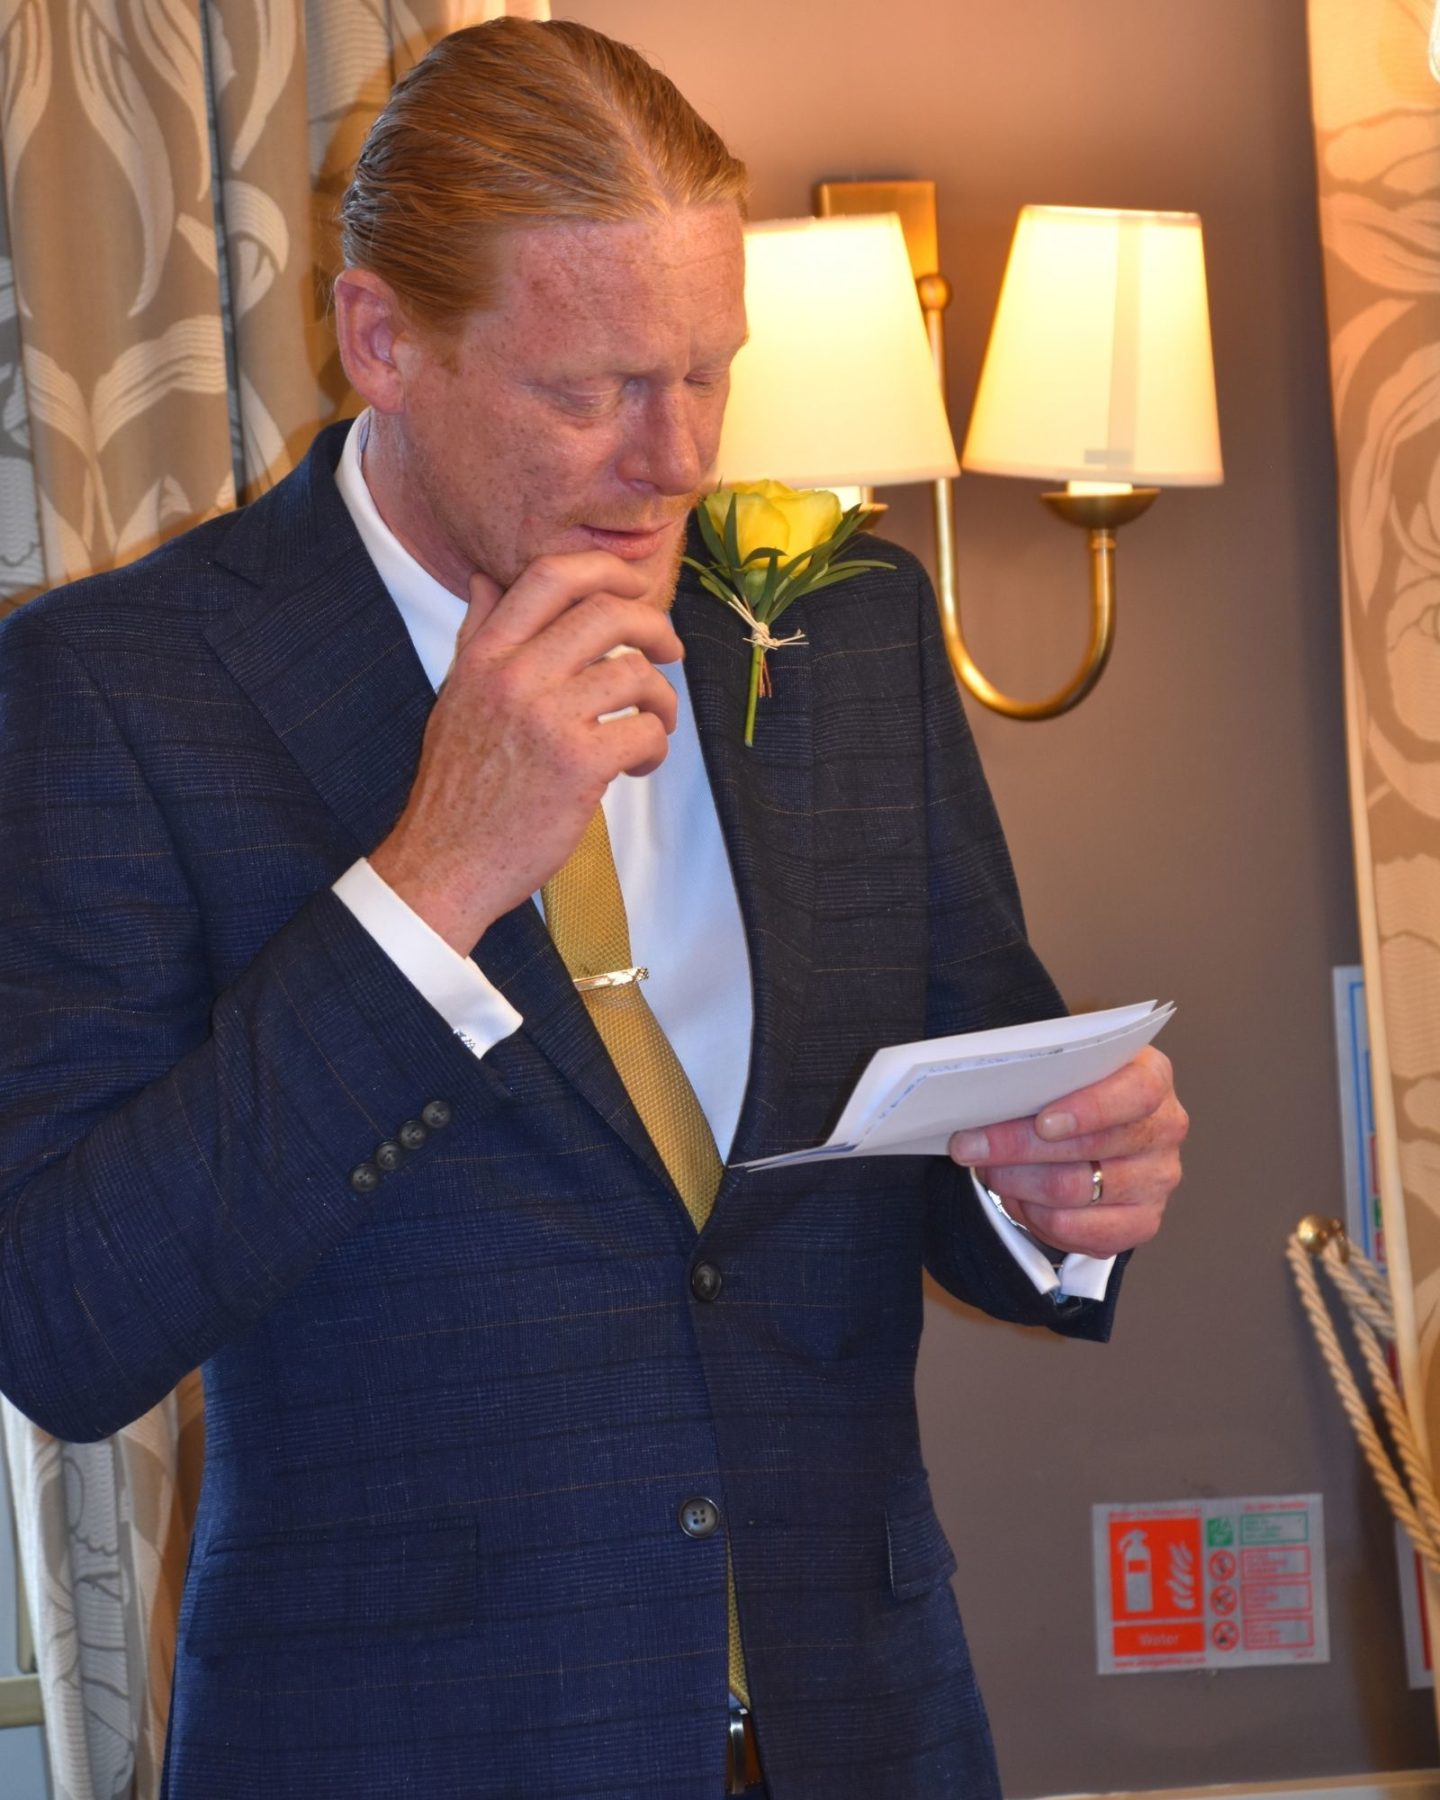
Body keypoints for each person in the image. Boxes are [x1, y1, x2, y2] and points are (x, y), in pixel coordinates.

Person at [0, 19, 1186, 1799]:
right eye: (594, 390)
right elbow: (68, 1326)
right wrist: (435, 879)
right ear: (381, 338)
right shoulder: (114, 690)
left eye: (712, 370)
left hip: (865, 1731)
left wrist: (1063, 1188)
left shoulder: (843, 622)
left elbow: (956, 1114)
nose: (679, 454)